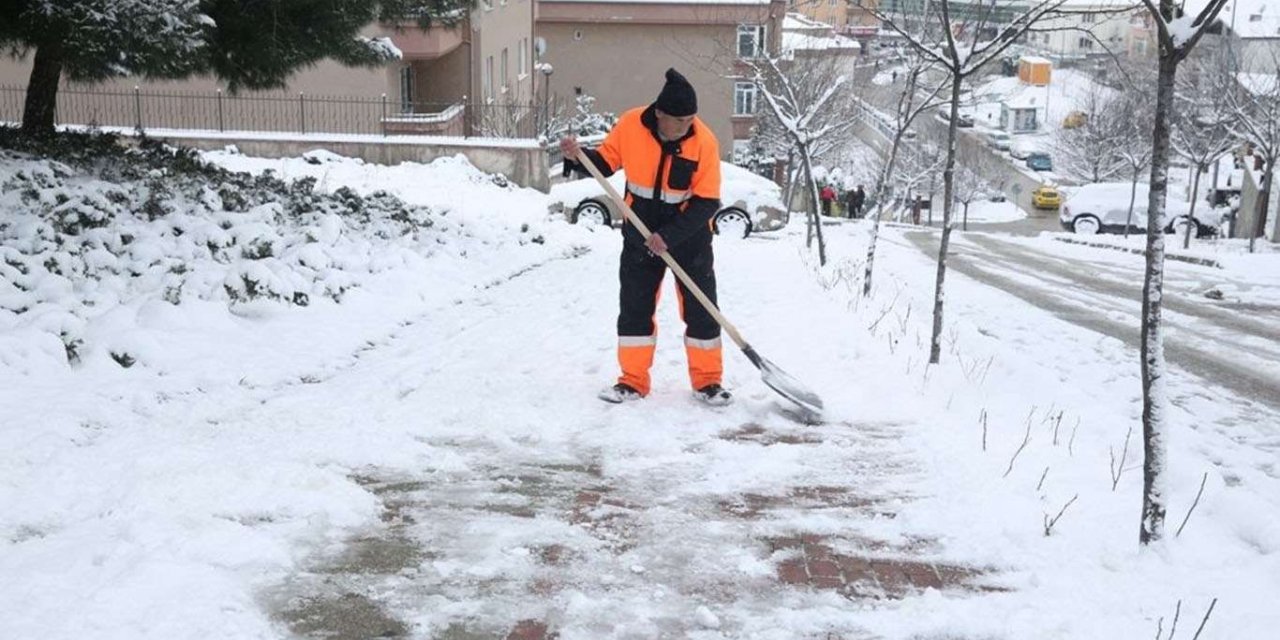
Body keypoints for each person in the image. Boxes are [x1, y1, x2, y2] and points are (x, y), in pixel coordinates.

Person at [559, 68, 732, 407]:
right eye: (679, 121)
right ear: (660, 114)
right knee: (635, 308)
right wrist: (578, 157)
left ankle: (708, 382)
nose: (686, 127)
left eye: (691, 120)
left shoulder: (704, 141)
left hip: (689, 236)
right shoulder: (631, 125)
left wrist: (669, 236)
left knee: (702, 309)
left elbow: (707, 201)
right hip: (639, 232)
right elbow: (605, 163)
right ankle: (633, 381)